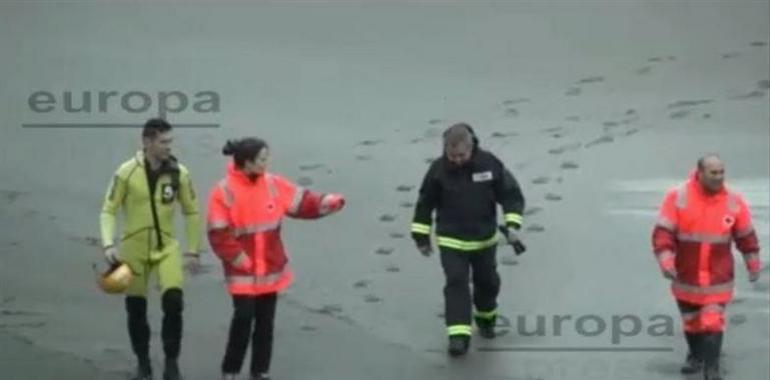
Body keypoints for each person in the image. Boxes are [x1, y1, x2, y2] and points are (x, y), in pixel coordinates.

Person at [207, 138, 346, 380]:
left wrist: (327, 203)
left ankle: (260, 371)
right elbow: (218, 233)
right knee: (243, 320)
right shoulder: (224, 191)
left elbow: (302, 202)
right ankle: (230, 370)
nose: (266, 163)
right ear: (247, 163)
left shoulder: (272, 184)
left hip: (270, 270)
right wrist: (239, 259)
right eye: (262, 159)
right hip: (242, 272)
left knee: (265, 323)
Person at [99, 118, 203, 380]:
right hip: (133, 249)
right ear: (147, 142)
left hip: (166, 248)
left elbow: (191, 212)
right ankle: (143, 362)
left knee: (173, 302)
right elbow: (108, 210)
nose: (169, 146)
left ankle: (171, 362)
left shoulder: (179, 173)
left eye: (170, 141)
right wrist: (108, 243)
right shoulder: (126, 172)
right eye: (163, 142)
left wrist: (192, 250)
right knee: (135, 308)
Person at [410, 123, 526, 356]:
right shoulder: (437, 171)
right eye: (452, 156)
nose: (457, 160)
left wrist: (512, 224)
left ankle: (486, 319)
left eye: (461, 155)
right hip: (451, 241)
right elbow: (425, 205)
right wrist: (421, 237)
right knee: (456, 284)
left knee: (488, 283)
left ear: (471, 147)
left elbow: (510, 194)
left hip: (484, 241)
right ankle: (458, 336)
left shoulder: (490, 164)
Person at [652, 154, 762, 380]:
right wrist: (666, 260)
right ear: (699, 173)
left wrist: (753, 263)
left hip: (717, 277)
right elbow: (663, 234)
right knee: (691, 323)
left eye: (722, 172)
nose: (719, 177)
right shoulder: (678, 197)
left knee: (712, 321)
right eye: (714, 173)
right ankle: (695, 355)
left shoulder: (734, 201)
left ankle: (712, 369)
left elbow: (746, 236)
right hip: (686, 275)